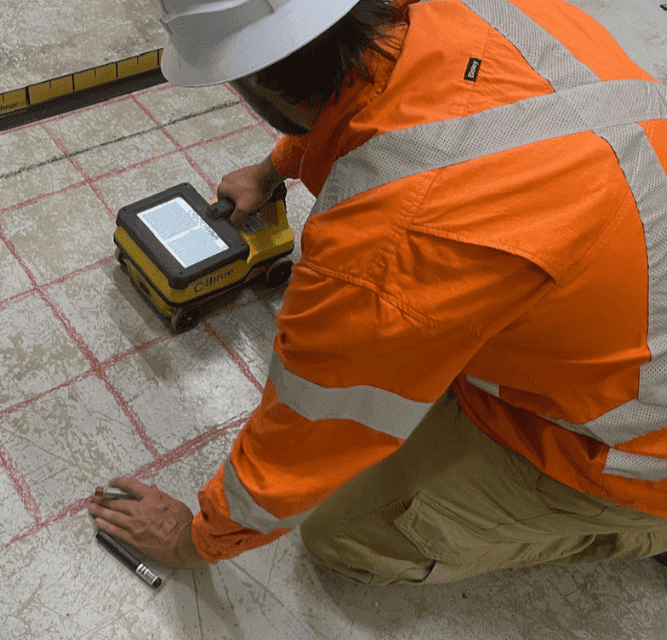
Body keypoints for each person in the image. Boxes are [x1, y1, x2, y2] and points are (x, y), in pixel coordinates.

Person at [88, 0, 667, 583]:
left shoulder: (382, 248)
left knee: (346, 534)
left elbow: (302, 442)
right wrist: (275, 170)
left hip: (636, 443)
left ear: (250, 78)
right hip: (627, 288)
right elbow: (417, 100)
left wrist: (195, 540)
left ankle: (640, 529)